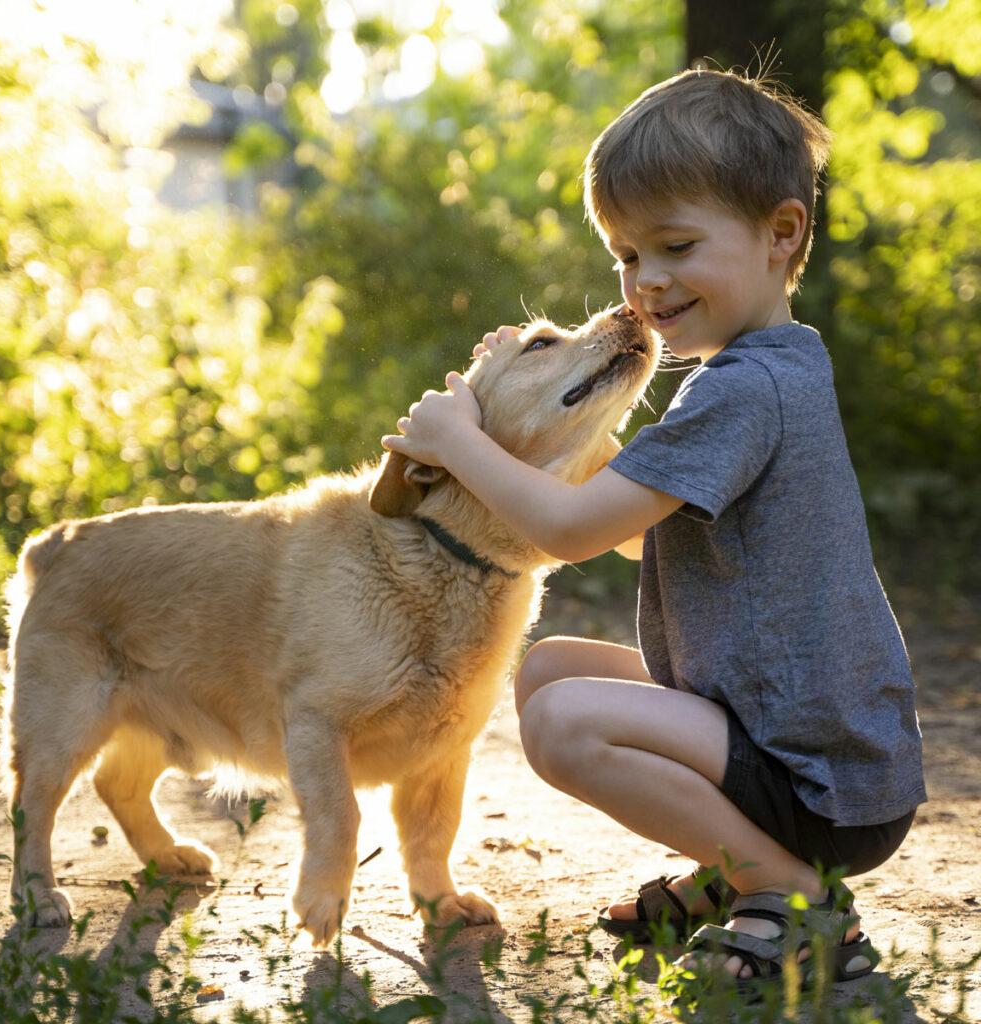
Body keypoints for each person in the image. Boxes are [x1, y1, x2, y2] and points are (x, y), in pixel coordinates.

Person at [381, 67, 926, 991]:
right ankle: (736, 872)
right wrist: (540, 400)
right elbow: (643, 530)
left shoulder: (746, 389)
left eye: (675, 246)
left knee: (561, 722)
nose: (647, 283)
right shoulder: (765, 370)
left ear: (781, 232)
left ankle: (791, 892)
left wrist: (462, 441)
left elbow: (575, 534)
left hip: (820, 781)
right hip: (796, 734)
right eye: (627, 256)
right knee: (552, 663)